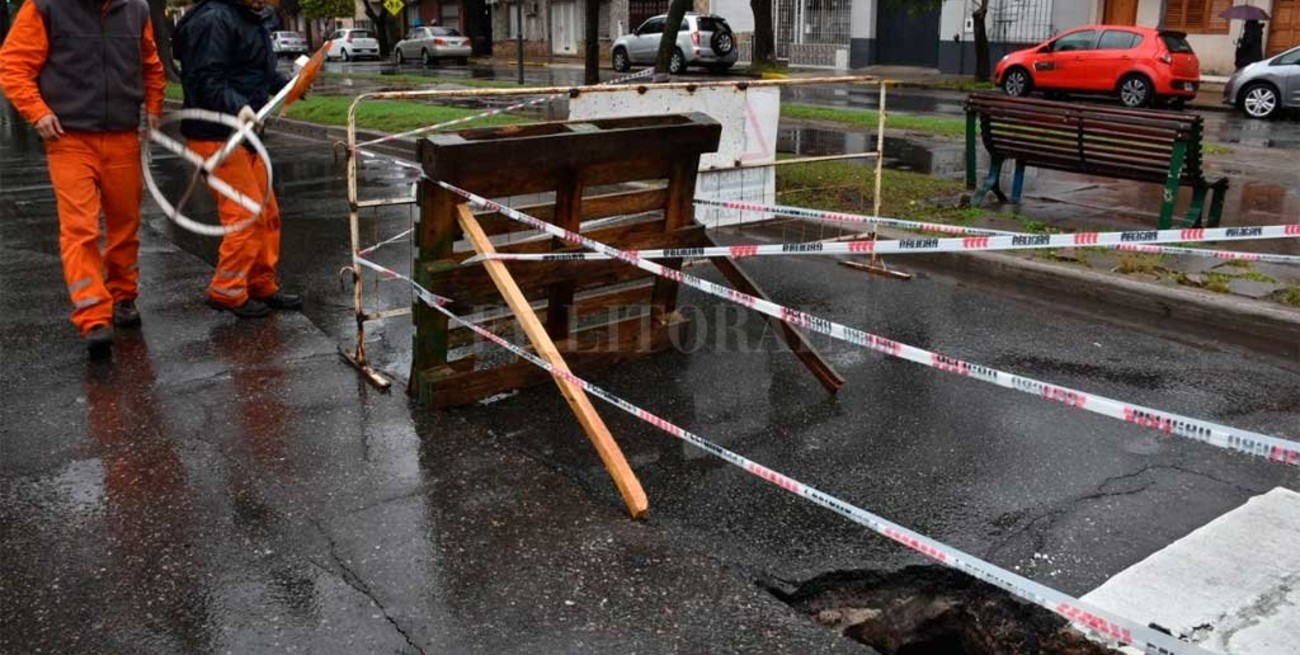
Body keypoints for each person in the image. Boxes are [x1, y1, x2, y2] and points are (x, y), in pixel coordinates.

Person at [0, 0, 166, 355]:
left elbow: (150, 64)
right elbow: (14, 64)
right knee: (80, 228)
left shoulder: (135, 8)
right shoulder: (45, 7)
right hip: (68, 137)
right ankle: (93, 315)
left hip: (121, 135)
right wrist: (37, 111)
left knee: (125, 223)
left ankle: (123, 296)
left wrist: (154, 107)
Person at [172, 0, 303, 319]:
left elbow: (258, 71)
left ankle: (260, 283)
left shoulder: (251, 18)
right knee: (245, 215)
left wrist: (289, 84)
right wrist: (238, 107)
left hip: (244, 133)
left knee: (267, 214)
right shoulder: (215, 20)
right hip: (216, 133)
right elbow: (205, 79)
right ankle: (226, 291)